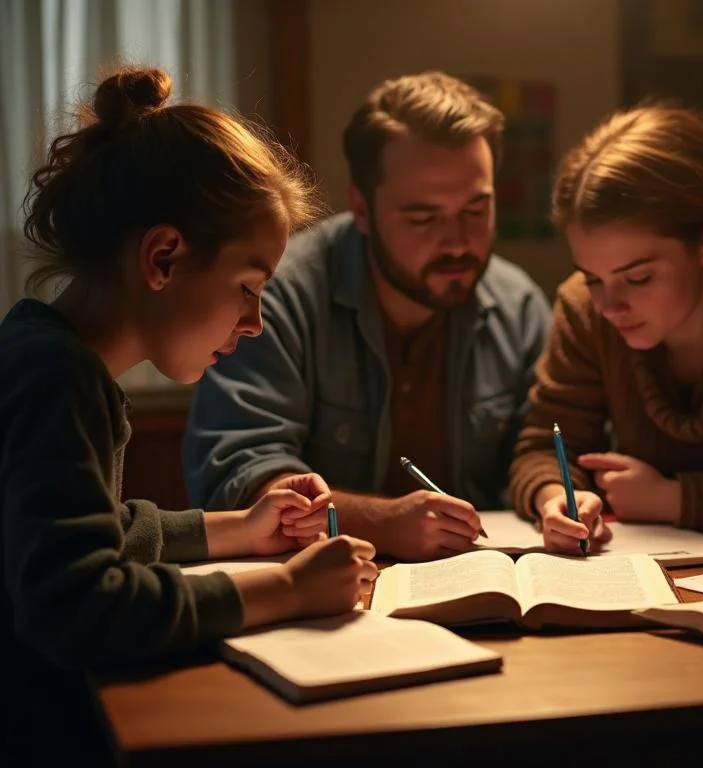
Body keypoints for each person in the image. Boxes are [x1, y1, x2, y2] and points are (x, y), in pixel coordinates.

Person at [0, 67, 378, 763]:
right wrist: (288, 588)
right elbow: (76, 604)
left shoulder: (46, 353)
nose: (255, 322)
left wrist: (239, 527)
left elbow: (99, 531)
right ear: (164, 258)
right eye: (248, 287)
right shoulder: (56, 378)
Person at [183, 71, 551, 562]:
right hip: (318, 582)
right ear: (361, 208)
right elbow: (237, 473)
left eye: (475, 211)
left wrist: (553, 494)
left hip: (481, 580)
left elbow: (541, 450)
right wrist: (379, 522)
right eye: (423, 218)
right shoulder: (278, 298)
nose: (457, 242)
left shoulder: (517, 305)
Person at [509, 105, 703, 555]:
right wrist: (555, 497)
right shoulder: (585, 310)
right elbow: (544, 445)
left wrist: (676, 498)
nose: (609, 305)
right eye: (592, 277)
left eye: (638, 278)